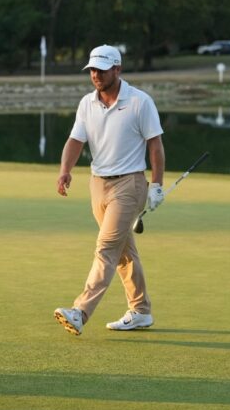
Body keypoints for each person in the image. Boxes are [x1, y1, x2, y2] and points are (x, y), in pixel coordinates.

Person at [53, 45, 165, 336]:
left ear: (117, 69)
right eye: (92, 69)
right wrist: (65, 170)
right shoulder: (87, 104)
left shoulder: (140, 102)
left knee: (105, 249)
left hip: (130, 183)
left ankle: (80, 311)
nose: (95, 75)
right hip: (98, 185)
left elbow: (155, 146)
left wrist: (157, 185)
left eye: (101, 69)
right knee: (123, 252)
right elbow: (75, 141)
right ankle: (141, 310)